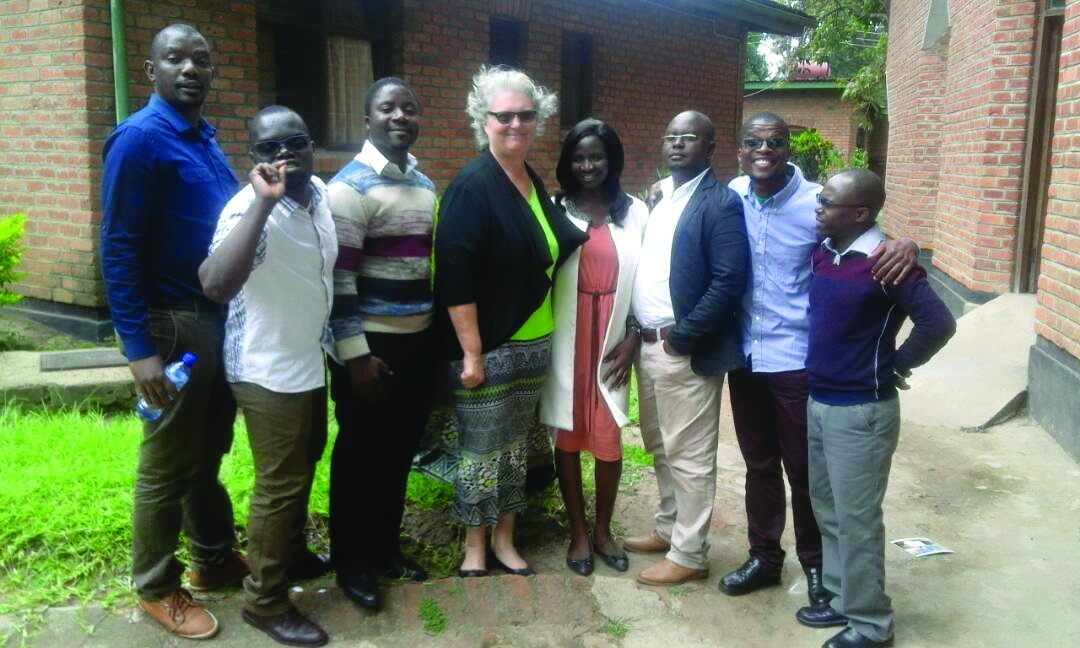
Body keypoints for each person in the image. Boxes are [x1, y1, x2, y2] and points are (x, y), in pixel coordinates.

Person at [720, 113, 919, 609]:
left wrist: (904, 242)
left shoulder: (817, 203)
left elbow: (866, 233)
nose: (763, 150)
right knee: (758, 466)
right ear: (740, 150)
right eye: (753, 142)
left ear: (790, 148)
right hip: (746, 357)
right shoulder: (732, 196)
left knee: (806, 473)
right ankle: (764, 557)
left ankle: (818, 568)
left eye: (775, 142)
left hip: (798, 360)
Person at [100, 23, 247, 640]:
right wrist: (139, 351)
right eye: (175, 58)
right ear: (152, 69)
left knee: (207, 452)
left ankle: (211, 558)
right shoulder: (139, 140)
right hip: (171, 326)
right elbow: (118, 247)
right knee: (165, 463)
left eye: (201, 60)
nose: (190, 68)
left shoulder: (204, 139)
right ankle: (157, 587)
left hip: (215, 322)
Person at [426, 65, 587, 577]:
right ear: (483, 120)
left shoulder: (530, 180)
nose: (515, 124)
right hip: (491, 346)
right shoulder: (474, 185)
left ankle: (505, 538)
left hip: (536, 342)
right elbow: (455, 277)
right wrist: (471, 352)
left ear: (538, 121)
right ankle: (475, 548)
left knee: (515, 450)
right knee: (481, 451)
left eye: (526, 115)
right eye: (504, 116)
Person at [198, 106, 333, 647]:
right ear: (253, 157)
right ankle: (265, 601)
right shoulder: (247, 209)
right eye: (269, 149)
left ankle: (292, 555)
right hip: (264, 368)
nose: (285, 156)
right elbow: (214, 284)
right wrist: (262, 202)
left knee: (304, 464)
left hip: (308, 359)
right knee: (280, 486)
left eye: (295, 143)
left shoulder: (320, 194)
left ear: (311, 145)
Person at [801, 169, 955, 648]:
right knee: (827, 510)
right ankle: (841, 598)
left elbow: (938, 322)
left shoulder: (887, 263)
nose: (819, 209)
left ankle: (871, 626)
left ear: (860, 213)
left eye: (828, 203)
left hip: (861, 413)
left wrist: (894, 366)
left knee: (858, 520)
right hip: (820, 400)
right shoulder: (826, 253)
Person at [623, 111, 749, 586]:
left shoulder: (719, 203)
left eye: (689, 137)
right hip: (649, 346)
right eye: (671, 136)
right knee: (660, 445)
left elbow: (729, 279)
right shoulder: (663, 199)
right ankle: (668, 528)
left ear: (711, 146)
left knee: (691, 455)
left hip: (683, 350)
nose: (677, 144)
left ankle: (690, 554)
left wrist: (684, 336)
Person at [325, 77, 437, 610]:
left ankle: (386, 549)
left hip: (416, 347)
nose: (400, 116)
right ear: (367, 119)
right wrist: (355, 358)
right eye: (388, 108)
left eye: (408, 108)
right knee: (359, 456)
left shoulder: (425, 185)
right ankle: (352, 564)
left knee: (397, 454)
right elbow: (338, 280)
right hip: (369, 352)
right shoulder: (348, 188)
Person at [539, 119, 648, 576]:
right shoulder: (554, 208)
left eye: (597, 156)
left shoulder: (635, 212)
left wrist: (635, 337)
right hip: (567, 332)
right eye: (579, 157)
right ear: (568, 162)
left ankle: (603, 530)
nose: (588, 165)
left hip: (612, 338)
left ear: (612, 160)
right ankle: (578, 532)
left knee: (607, 437)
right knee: (567, 431)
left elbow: (647, 283)